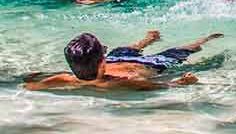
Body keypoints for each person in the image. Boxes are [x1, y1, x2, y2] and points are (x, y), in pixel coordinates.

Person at [24, 30, 223, 92]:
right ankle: (204, 39)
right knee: (182, 50)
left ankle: (149, 39)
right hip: (151, 64)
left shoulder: (67, 79)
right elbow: (157, 85)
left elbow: (33, 86)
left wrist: (32, 81)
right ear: (101, 63)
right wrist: (181, 83)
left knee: (130, 48)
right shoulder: (121, 82)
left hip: (116, 59)